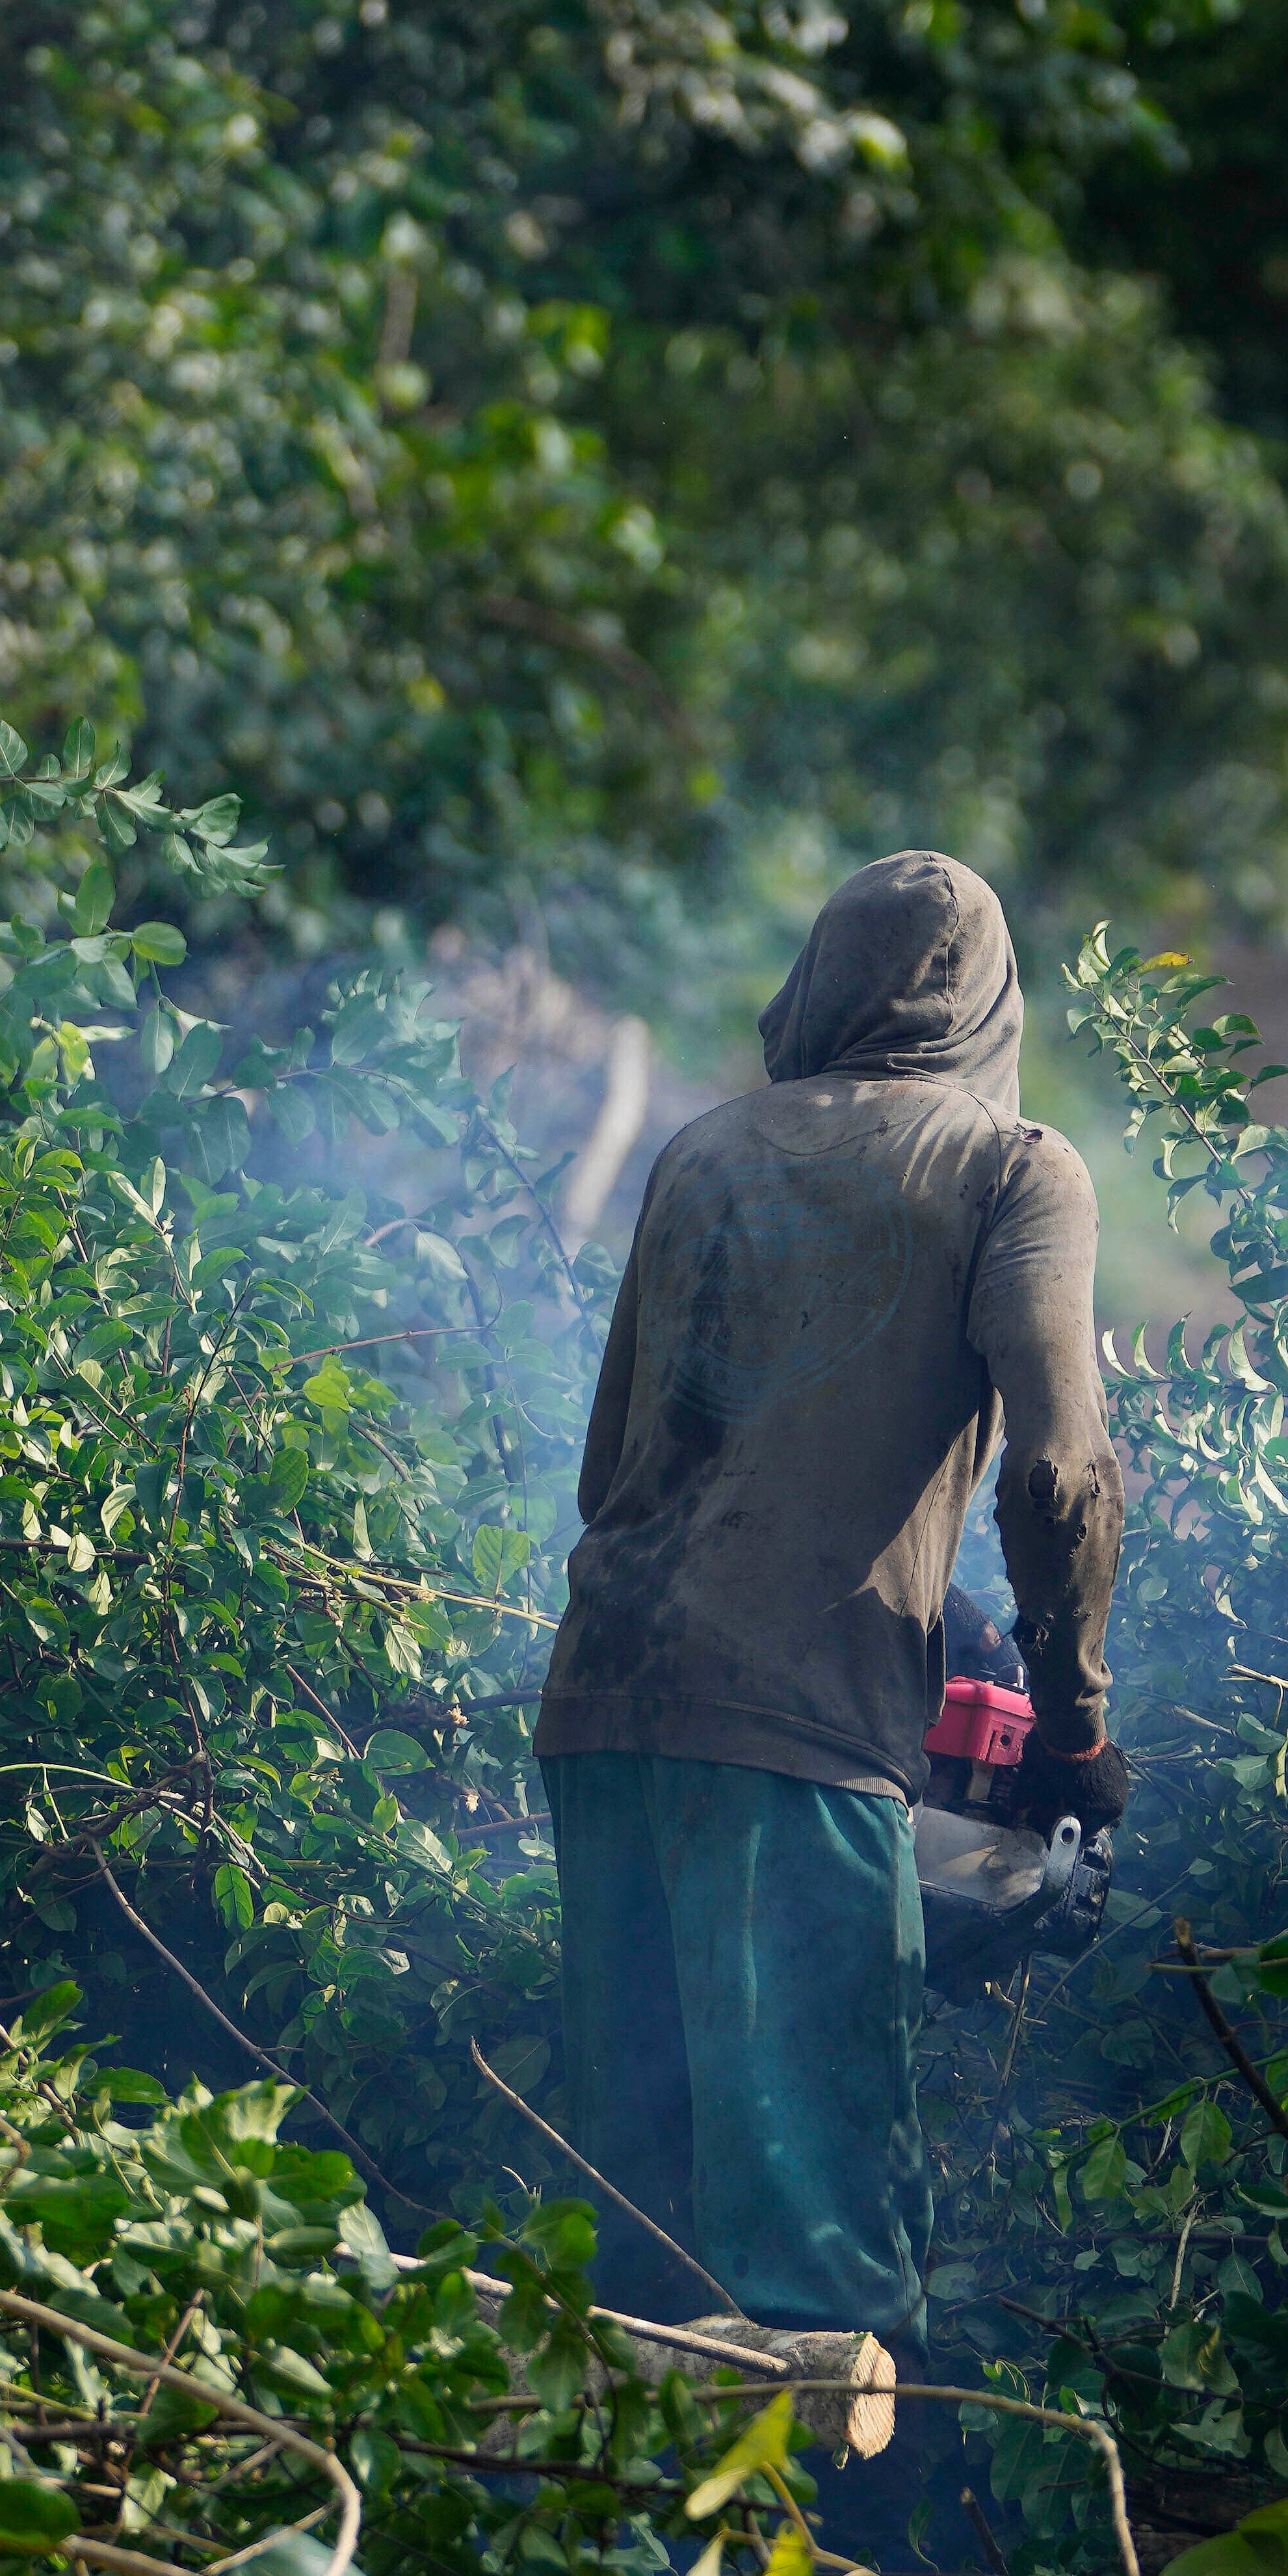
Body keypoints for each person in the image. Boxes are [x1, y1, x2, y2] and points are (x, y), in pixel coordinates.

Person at [534, 851, 1127, 2352]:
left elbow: (613, 1471)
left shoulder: (702, 1151)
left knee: (645, 2243)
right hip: (793, 1736)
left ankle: (619, 2575)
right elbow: (1060, 1479)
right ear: (990, 1008)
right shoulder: (1016, 1168)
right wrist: (1076, 1730)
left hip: (601, 1701)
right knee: (821, 2271)